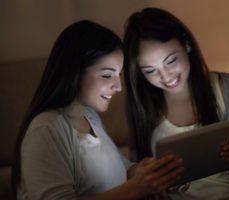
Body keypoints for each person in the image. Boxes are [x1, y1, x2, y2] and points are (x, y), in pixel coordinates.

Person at [123, 8, 229, 200]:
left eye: (171, 61)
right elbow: (138, 182)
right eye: (150, 71)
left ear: (186, 44)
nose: (165, 76)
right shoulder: (141, 108)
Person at [12, 20, 184, 200]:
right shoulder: (47, 129)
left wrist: (150, 174)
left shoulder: (89, 116)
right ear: (75, 72)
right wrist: (135, 188)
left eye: (119, 75)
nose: (118, 87)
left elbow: (118, 169)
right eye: (107, 75)